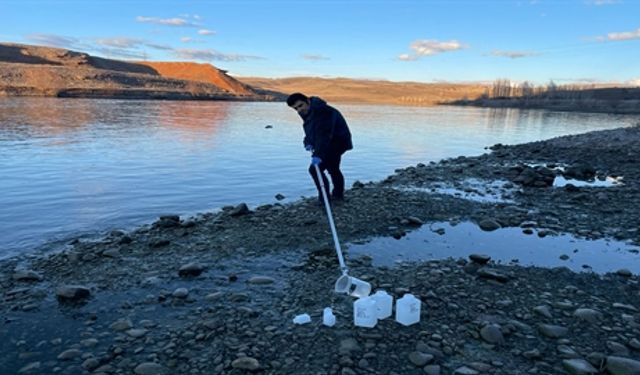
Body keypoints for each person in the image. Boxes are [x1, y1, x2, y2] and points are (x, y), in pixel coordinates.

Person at [287, 92, 353, 205]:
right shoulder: (308, 111)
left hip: (337, 142)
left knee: (314, 169)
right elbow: (311, 130)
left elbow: (324, 135)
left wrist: (318, 154)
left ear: (307, 101)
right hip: (328, 142)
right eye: (295, 108)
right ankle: (338, 195)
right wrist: (307, 142)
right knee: (333, 168)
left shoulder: (323, 111)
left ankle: (325, 199)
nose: (299, 110)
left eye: (300, 105)